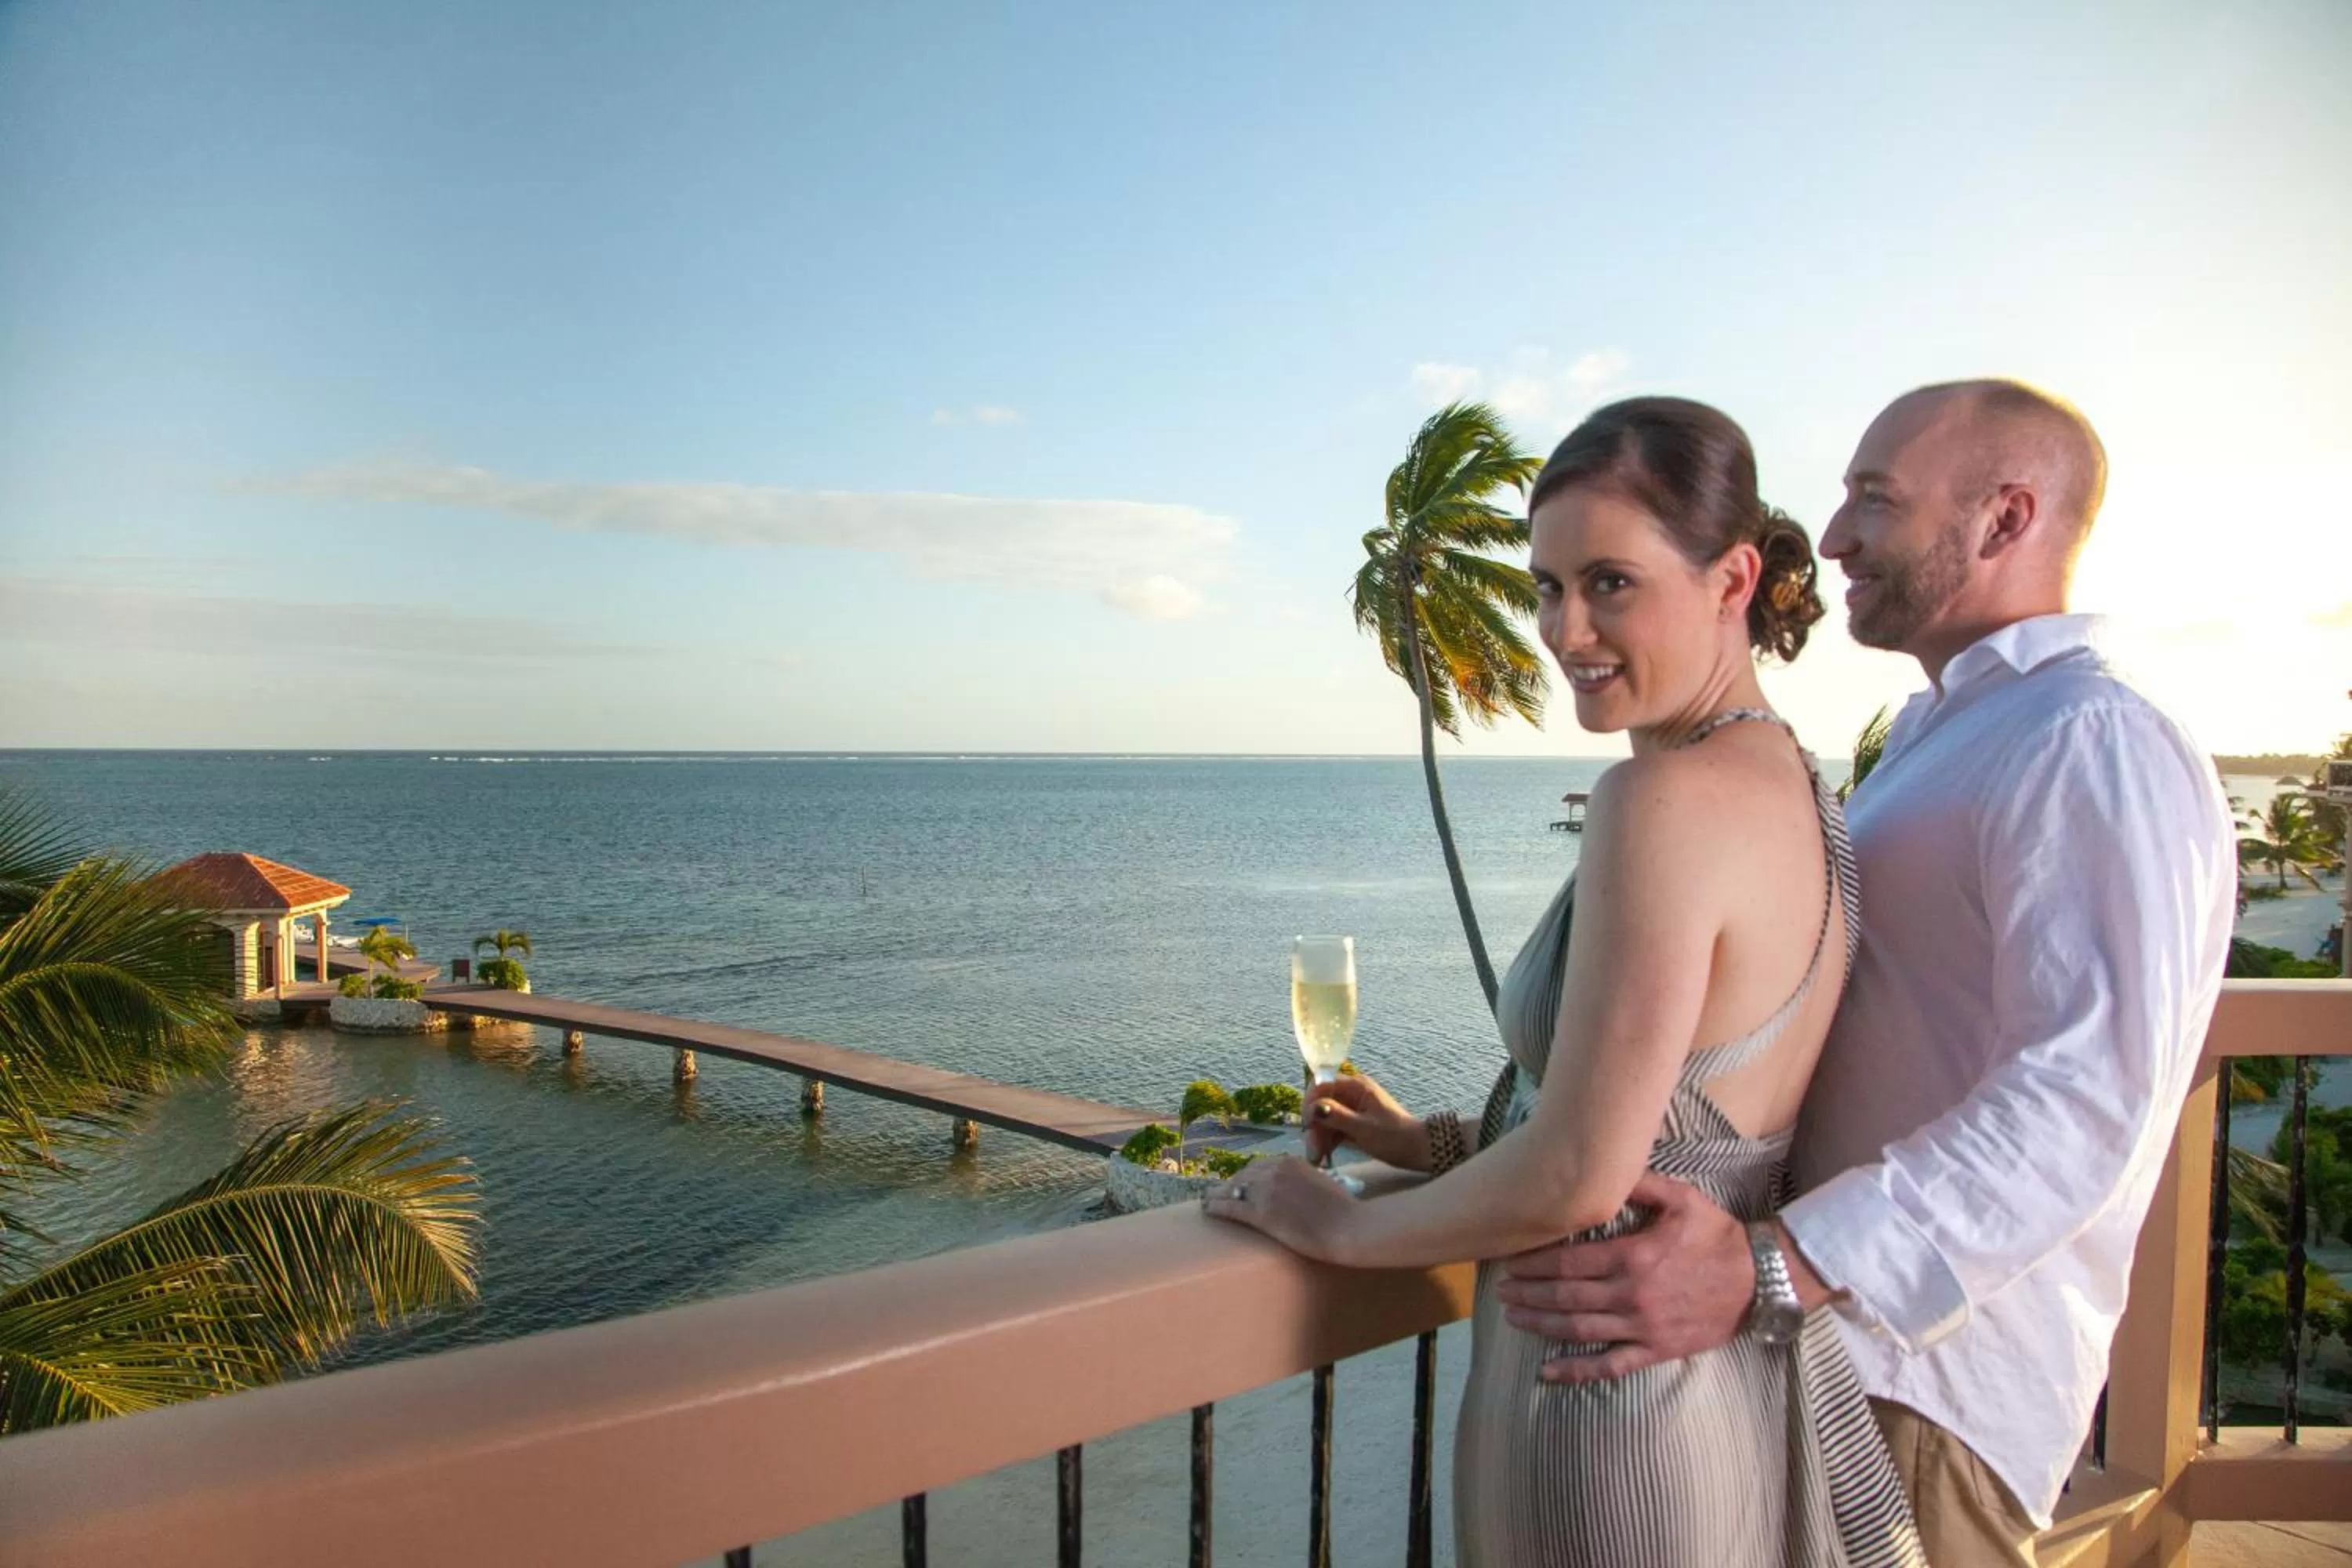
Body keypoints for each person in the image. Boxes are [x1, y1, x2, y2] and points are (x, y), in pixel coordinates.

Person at [1494, 381, 2236, 1565]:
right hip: (1816, 1351)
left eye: (1873, 502)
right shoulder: (1943, 739)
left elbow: (2086, 1099)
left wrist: (1777, 1268)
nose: (1831, 540)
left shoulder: (2088, 738)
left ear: (2004, 520)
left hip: (1924, 1386)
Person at [1205, 397, 1923, 1566]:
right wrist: (1435, 1145)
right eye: (1545, 585)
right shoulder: (1801, 792)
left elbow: (1583, 1173)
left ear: (1733, 577)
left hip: (1603, 1407)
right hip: (1716, 1393)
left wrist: (1335, 1228)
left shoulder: (1661, 802)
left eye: (1612, 583)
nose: (1566, 627)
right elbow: (1678, 1118)